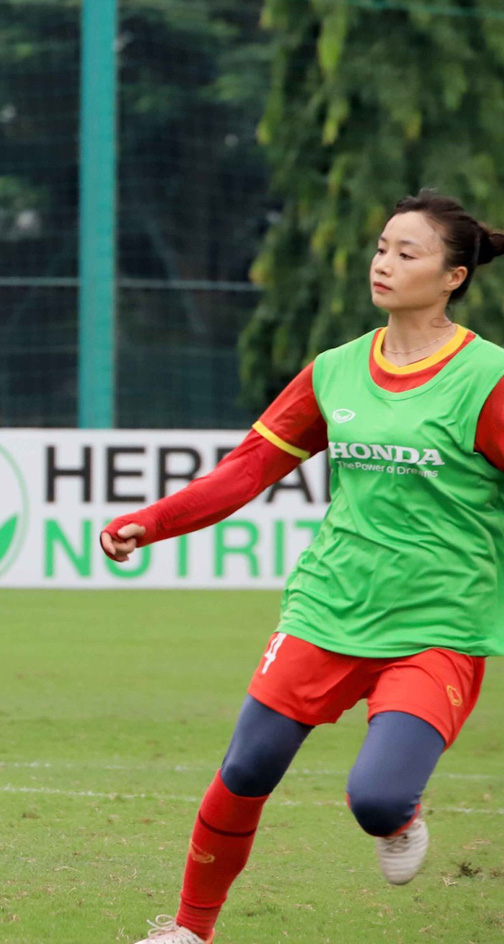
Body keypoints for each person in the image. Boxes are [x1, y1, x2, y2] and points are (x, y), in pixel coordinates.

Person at [106, 191, 504, 943]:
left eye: (406, 253)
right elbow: (245, 472)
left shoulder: (487, 378)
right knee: (246, 767)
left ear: (454, 276)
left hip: (438, 624)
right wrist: (148, 522)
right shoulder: (336, 371)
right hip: (327, 608)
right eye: (382, 247)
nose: (384, 263)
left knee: (377, 800)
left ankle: (402, 815)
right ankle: (191, 931)